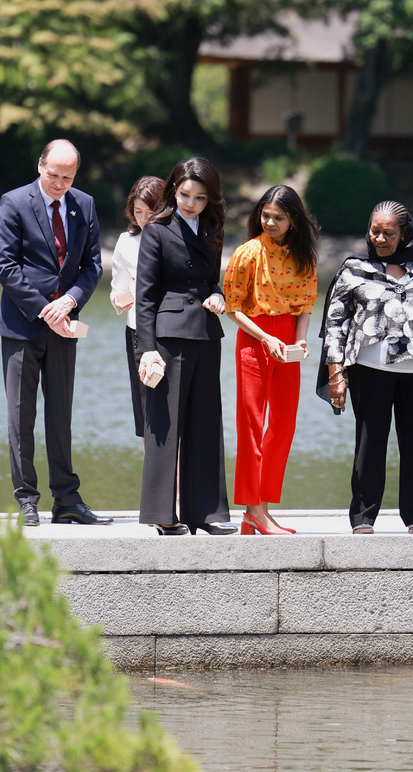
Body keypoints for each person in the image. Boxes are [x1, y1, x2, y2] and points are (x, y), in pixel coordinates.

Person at [0, 138, 111, 527]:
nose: (60, 184)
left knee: (61, 415)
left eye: (68, 177)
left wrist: (70, 301)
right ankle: (26, 499)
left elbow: (92, 266)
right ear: (40, 165)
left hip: (65, 326)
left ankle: (67, 500)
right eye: (54, 175)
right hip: (22, 325)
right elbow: (6, 266)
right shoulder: (14, 202)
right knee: (20, 416)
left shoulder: (84, 205)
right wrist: (47, 309)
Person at [316, 200, 413, 535]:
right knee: (370, 444)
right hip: (369, 370)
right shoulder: (354, 268)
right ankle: (363, 517)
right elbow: (334, 325)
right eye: (374, 230)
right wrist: (336, 374)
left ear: (403, 233)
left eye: (388, 233)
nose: (379, 238)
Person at [136, 157, 237, 536]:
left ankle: (205, 513)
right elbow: (144, 296)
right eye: (184, 195)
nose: (191, 203)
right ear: (173, 191)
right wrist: (147, 349)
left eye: (200, 197)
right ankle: (162, 514)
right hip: (168, 337)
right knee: (164, 424)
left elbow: (212, 280)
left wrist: (219, 295)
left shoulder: (214, 228)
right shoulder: (156, 231)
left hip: (206, 334)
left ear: (211, 198)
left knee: (206, 423)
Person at [223, 185, 319, 535]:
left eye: (279, 217)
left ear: (293, 220)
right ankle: (253, 509)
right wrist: (266, 337)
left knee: (283, 424)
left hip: (288, 340)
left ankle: (260, 509)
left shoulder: (303, 256)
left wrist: (301, 339)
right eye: (266, 215)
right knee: (251, 424)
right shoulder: (248, 252)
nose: (270, 222)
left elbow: (305, 305)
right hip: (254, 339)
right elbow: (232, 308)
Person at [110, 175, 166, 442]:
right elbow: (117, 288)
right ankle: (150, 468)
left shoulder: (176, 239)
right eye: (138, 211)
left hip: (171, 330)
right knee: (146, 413)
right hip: (137, 333)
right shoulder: (126, 242)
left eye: (150, 212)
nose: (143, 219)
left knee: (173, 411)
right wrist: (121, 300)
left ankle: (178, 470)